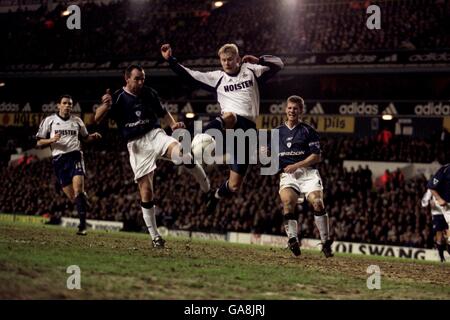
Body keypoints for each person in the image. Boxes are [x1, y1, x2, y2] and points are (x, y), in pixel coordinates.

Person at [94, 64, 210, 248]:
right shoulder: (116, 98)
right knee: (146, 191)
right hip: (136, 144)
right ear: (127, 78)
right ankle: (155, 236)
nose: (141, 82)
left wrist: (172, 126)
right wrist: (105, 105)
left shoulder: (148, 92)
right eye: (137, 78)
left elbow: (163, 112)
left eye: (143, 78)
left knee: (183, 154)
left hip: (155, 134)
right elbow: (97, 118)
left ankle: (206, 189)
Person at [161, 43, 284, 214]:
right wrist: (171, 60)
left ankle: (215, 196)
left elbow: (278, 64)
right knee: (230, 116)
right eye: (223, 60)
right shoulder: (217, 78)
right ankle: (195, 141)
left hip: (247, 133)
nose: (226, 63)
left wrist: (258, 59)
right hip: (228, 125)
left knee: (234, 185)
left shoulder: (251, 70)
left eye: (230, 59)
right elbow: (190, 76)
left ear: (238, 59)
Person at [273, 95, 333, 258]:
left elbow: (316, 156)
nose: (292, 111)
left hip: (308, 174)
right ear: (286, 109)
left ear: (301, 111)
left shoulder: (308, 131)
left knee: (318, 203)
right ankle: (292, 240)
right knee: (287, 202)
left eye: (296, 108)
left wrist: (296, 165)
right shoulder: (276, 132)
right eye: (290, 108)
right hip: (289, 176)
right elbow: (268, 156)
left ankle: (325, 242)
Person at [36, 94, 102, 235]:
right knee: (74, 197)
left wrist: (93, 137)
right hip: (58, 160)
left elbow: (85, 138)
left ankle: (82, 226)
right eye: (65, 103)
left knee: (78, 190)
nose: (67, 106)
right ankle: (83, 202)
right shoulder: (49, 121)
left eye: (70, 104)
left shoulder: (77, 121)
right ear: (58, 105)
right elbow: (39, 143)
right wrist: (51, 140)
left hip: (75, 156)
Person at [426, 163, 450, 261]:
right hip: (443, 208)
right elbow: (431, 187)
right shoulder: (445, 170)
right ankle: (441, 257)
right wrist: (438, 199)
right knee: (439, 234)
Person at [421, 189, 450, 262]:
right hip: (437, 214)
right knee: (439, 236)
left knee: (448, 237)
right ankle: (441, 257)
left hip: (447, 211)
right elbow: (424, 202)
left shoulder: (446, 185)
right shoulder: (431, 189)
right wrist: (429, 203)